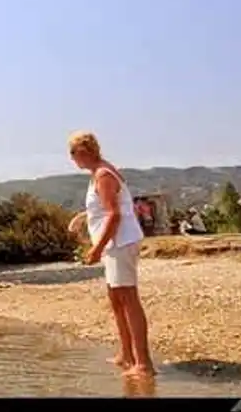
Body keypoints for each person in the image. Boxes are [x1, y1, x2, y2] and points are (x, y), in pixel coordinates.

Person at [67, 130, 153, 377]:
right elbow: (105, 209)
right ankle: (126, 353)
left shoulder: (103, 174)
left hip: (120, 243)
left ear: (84, 152)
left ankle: (144, 364)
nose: (73, 160)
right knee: (116, 300)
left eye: (73, 154)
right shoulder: (98, 174)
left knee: (128, 299)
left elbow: (115, 214)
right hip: (114, 244)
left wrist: (96, 248)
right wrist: (83, 219)